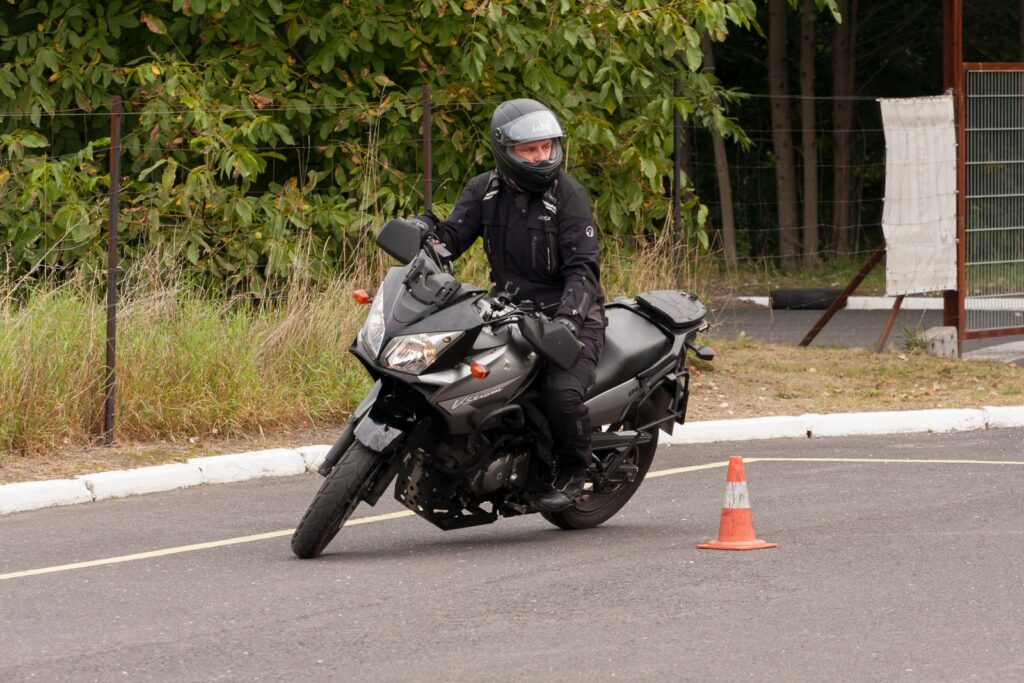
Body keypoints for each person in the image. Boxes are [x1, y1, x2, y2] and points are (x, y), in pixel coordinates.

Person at [414, 98, 606, 512]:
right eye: (529, 149)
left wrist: (568, 321)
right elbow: (451, 239)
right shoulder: (484, 190)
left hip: (568, 316)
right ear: (505, 150)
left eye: (547, 147)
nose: (541, 157)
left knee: (560, 392)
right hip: (507, 312)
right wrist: (422, 233)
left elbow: (583, 270)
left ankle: (575, 469)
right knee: (458, 378)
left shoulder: (569, 196)